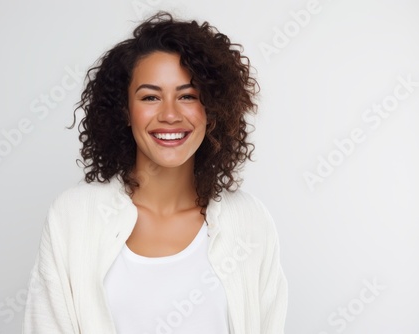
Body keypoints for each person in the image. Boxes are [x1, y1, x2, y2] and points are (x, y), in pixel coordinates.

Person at [22, 12, 288, 334]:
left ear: (213, 109)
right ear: (125, 110)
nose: (170, 114)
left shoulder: (249, 221)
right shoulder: (74, 216)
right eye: (150, 97)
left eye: (188, 96)